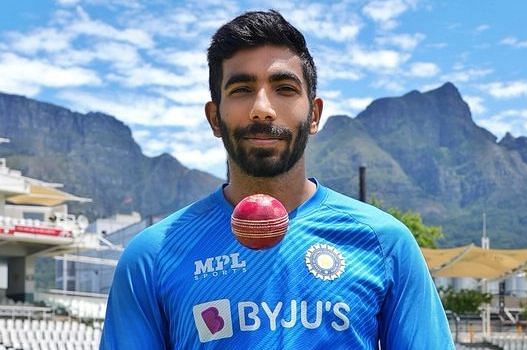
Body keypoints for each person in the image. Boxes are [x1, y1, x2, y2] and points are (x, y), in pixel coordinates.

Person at [101, 10, 454, 349]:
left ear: (314, 115)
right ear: (215, 119)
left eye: (284, 88)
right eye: (241, 89)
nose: (262, 108)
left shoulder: (384, 243)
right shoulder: (152, 255)